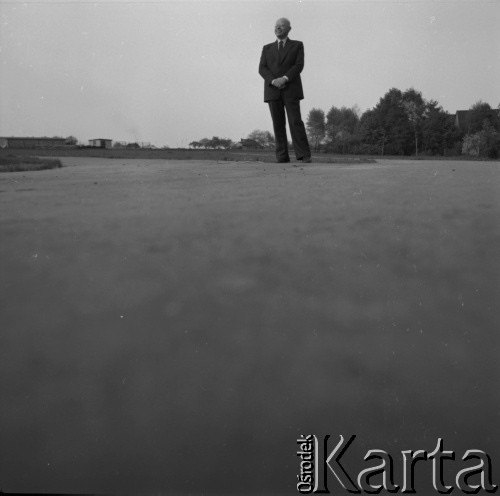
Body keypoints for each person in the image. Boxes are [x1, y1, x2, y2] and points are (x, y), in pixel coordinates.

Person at [259, 18, 311, 164]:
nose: (278, 28)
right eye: (276, 26)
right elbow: (262, 68)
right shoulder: (266, 48)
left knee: (295, 121)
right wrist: (274, 80)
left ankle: (304, 155)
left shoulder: (297, 45)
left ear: (289, 28)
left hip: (291, 88)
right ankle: (282, 157)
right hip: (272, 90)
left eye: (282, 26)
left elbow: (299, 65)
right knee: (278, 123)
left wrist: (285, 78)